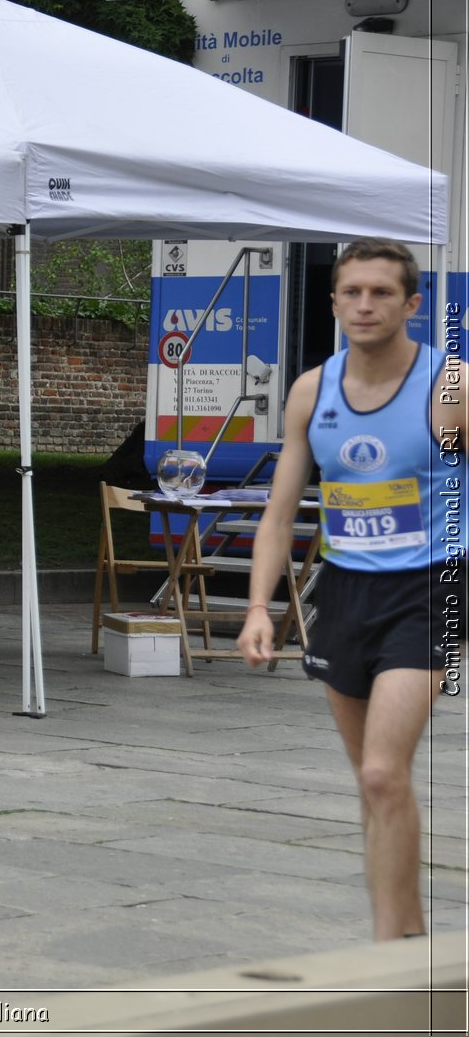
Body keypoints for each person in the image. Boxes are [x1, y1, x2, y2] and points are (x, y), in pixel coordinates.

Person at [238, 238, 460, 940]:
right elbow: (279, 513)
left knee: (381, 773)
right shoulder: (312, 390)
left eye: (382, 292)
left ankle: (399, 962)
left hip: (429, 587)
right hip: (345, 589)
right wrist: (257, 608)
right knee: (373, 784)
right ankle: (402, 941)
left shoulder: (448, 388)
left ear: (412, 304)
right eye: (352, 292)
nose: (366, 304)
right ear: (334, 302)